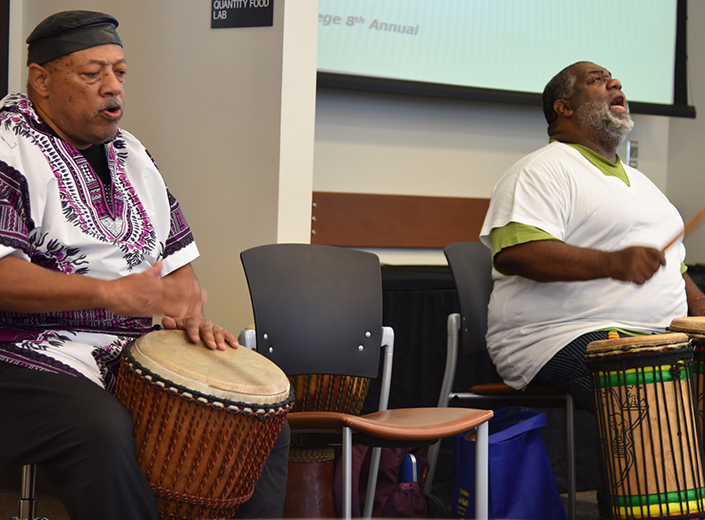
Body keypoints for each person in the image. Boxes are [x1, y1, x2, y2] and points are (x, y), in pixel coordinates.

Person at [0, 10, 288, 520]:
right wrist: (109, 295)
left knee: (258, 424)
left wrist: (188, 312)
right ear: (40, 80)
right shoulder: (8, 147)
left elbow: (178, 266)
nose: (113, 89)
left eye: (120, 72)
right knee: (102, 428)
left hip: (121, 353)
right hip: (20, 355)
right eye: (93, 74)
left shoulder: (133, 154)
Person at [480, 60, 705, 413]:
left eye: (614, 78)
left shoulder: (643, 184)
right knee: (652, 395)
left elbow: (672, 264)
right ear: (564, 107)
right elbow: (520, 253)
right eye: (598, 80)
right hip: (562, 336)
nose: (615, 82)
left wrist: (698, 305)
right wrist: (612, 263)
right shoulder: (539, 170)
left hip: (659, 337)